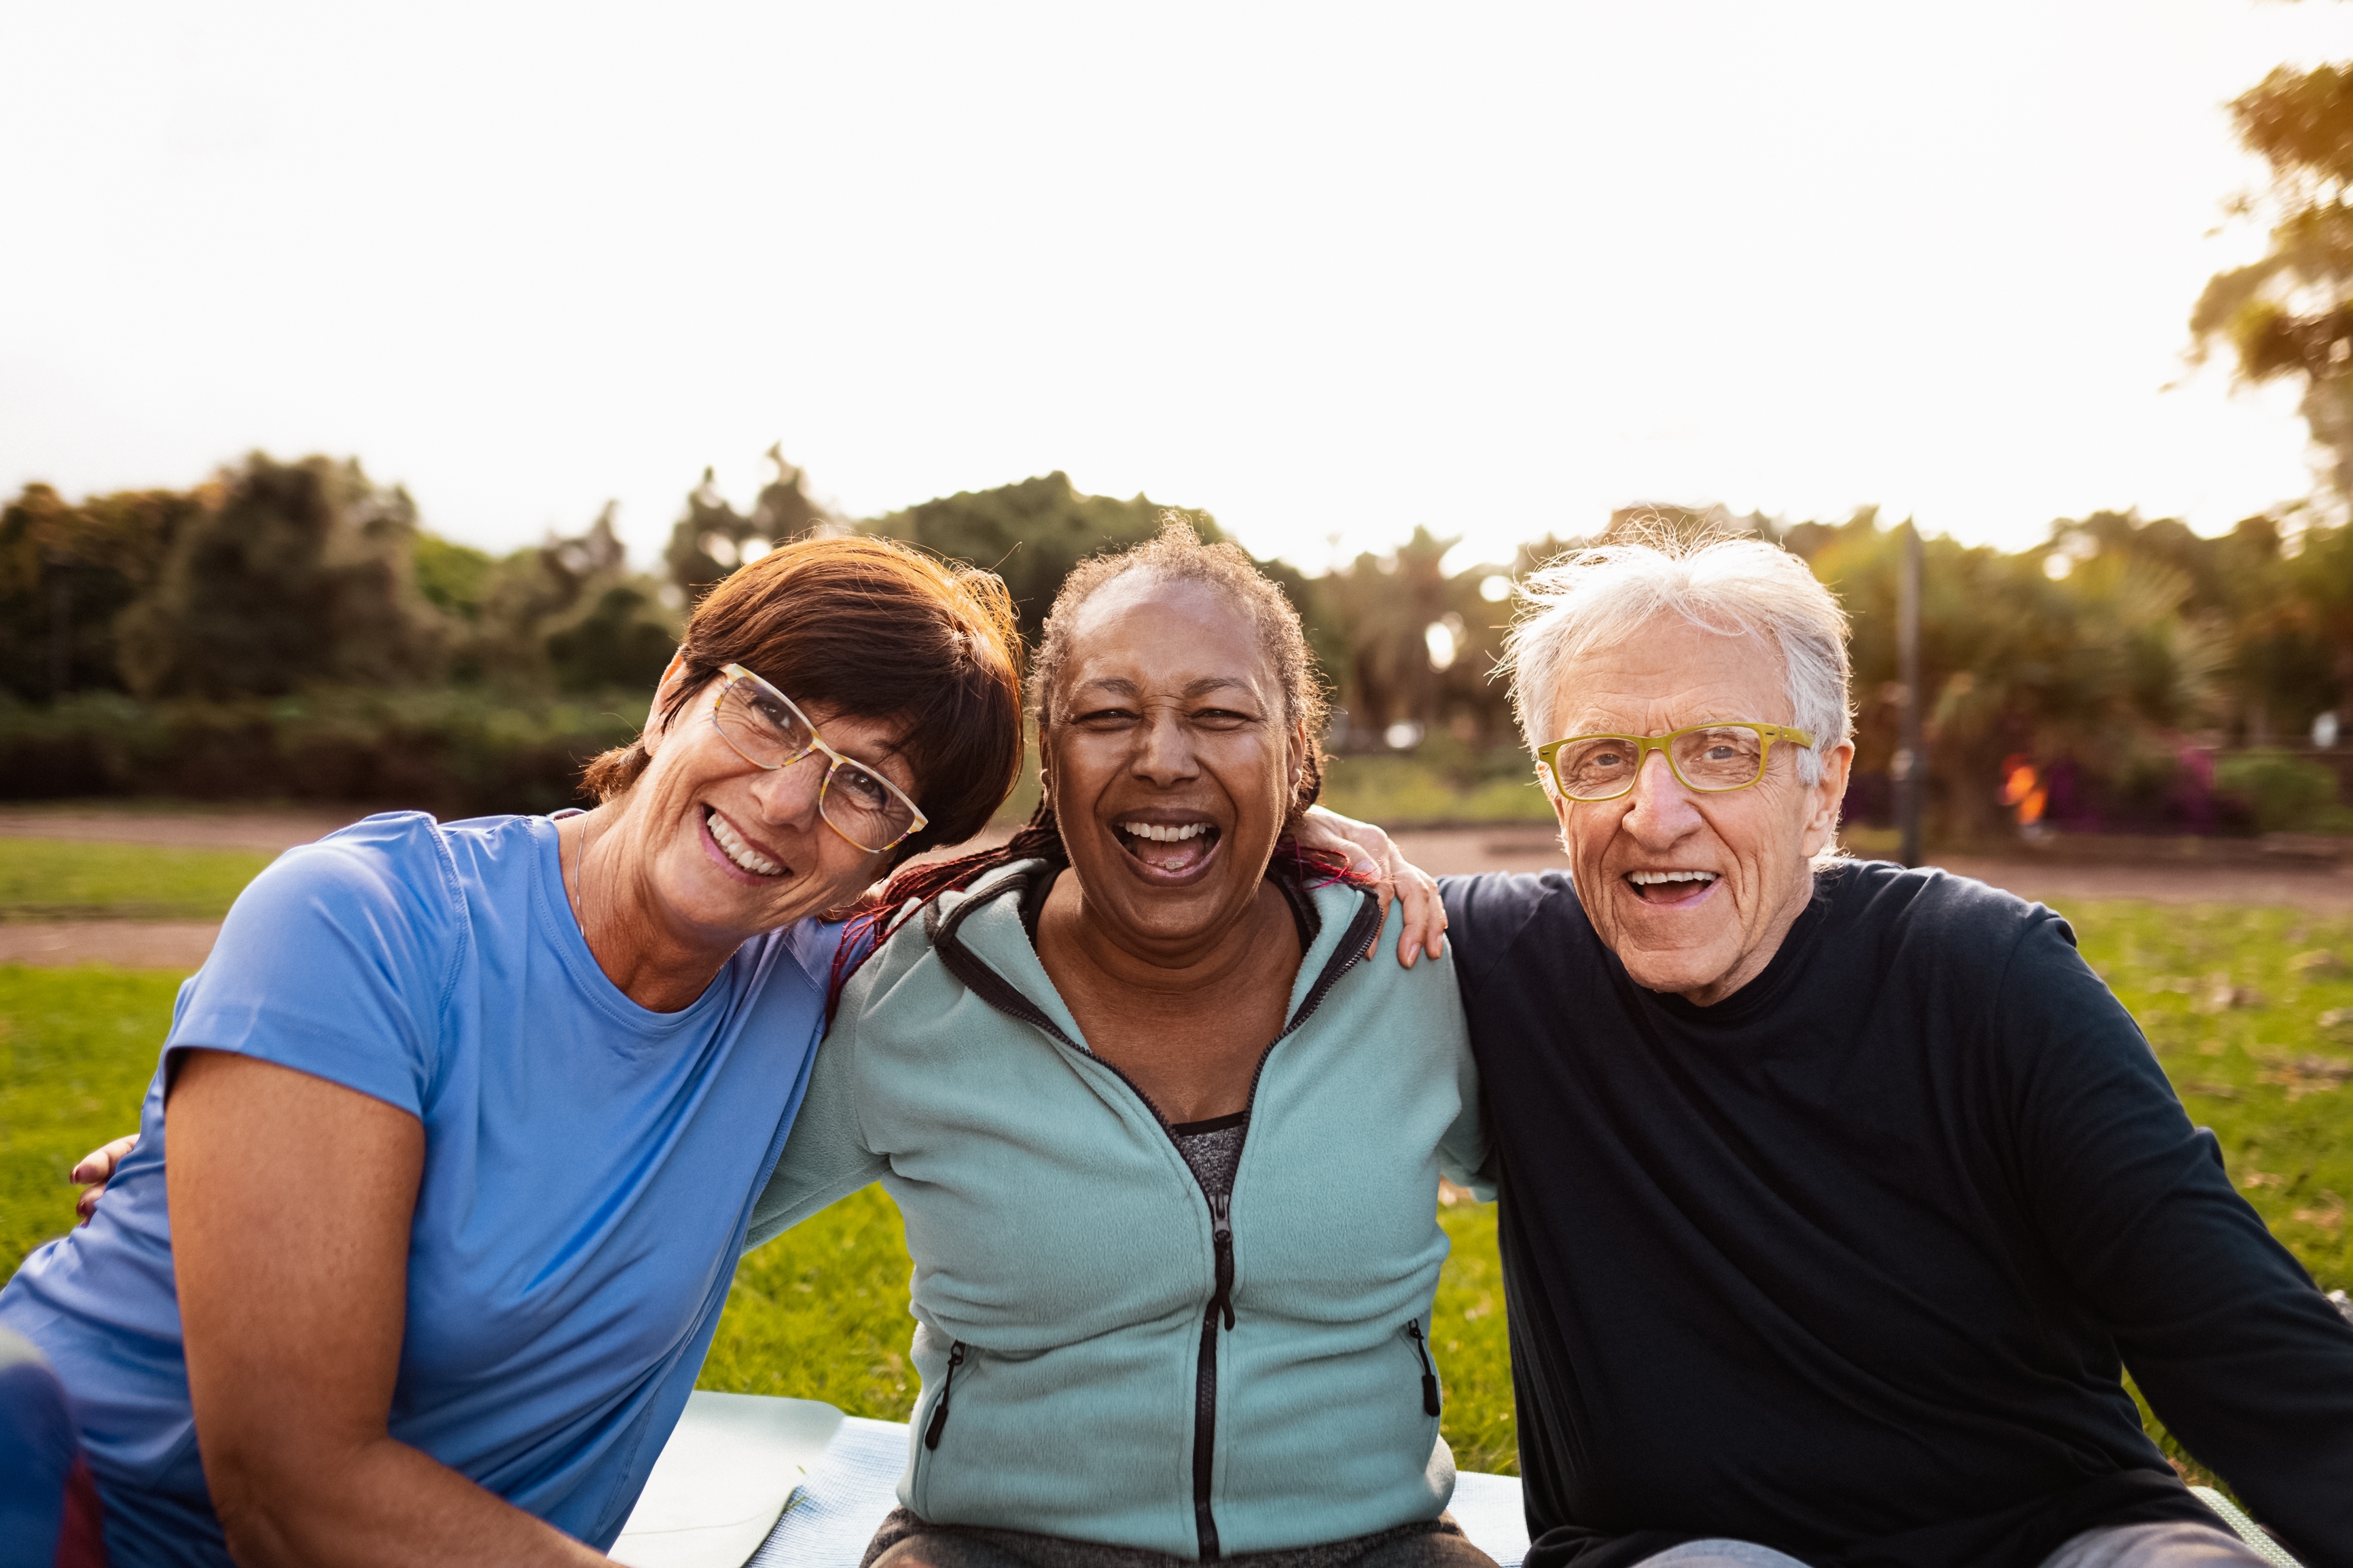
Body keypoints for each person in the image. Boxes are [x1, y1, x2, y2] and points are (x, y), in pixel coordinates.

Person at [0, 535, 1029, 1568]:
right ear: (674, 693)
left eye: (867, 788)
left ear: (890, 854)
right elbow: (293, 1495)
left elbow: (1095, 909)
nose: (785, 799)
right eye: (771, 712)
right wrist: (254, 1141)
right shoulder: (361, 918)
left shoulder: (825, 986)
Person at [1331, 534, 2353, 1568]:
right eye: (1603, 759)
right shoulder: (1492, 964)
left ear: (1825, 786)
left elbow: (2236, 1334)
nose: (1656, 812)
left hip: (2059, 1534)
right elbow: (1228, 910)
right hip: (1686, 1551)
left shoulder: (1987, 973)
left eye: (1721, 748)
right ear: (1558, 799)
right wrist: (1292, 828)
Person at [753, 522, 1496, 1568]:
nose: (1163, 756)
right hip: (989, 1544)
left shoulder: (1417, 968)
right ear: (1050, 764)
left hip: (1374, 1544)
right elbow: (682, 1224)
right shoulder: (913, 991)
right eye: (1108, 716)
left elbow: (1593, 1199)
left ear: (1298, 758)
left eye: (1221, 715)